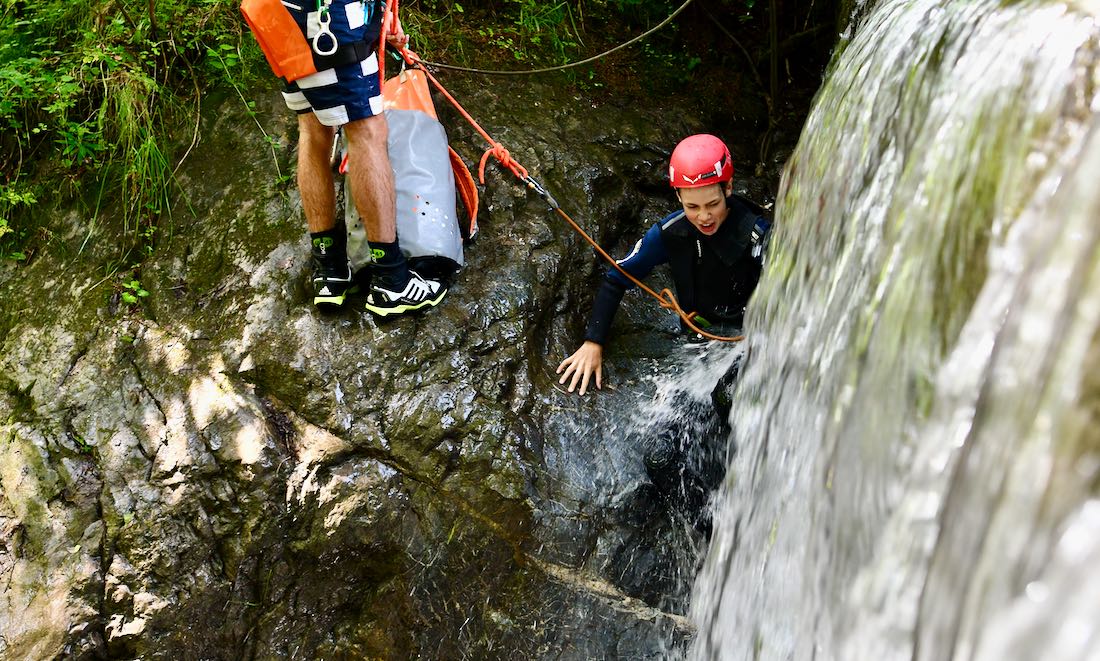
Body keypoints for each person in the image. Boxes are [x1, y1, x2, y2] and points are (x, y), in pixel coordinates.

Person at [556, 133, 770, 395]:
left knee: (725, 398)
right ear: (678, 197)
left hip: (751, 337)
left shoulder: (757, 233)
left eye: (712, 204)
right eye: (692, 206)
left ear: (728, 188)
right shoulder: (671, 233)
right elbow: (617, 278)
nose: (704, 216)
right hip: (699, 339)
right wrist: (593, 341)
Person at [278, 0, 447, 315]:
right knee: (367, 130)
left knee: (312, 127)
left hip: (281, 17)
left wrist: (379, 18)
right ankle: (391, 279)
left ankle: (329, 267)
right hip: (329, 17)